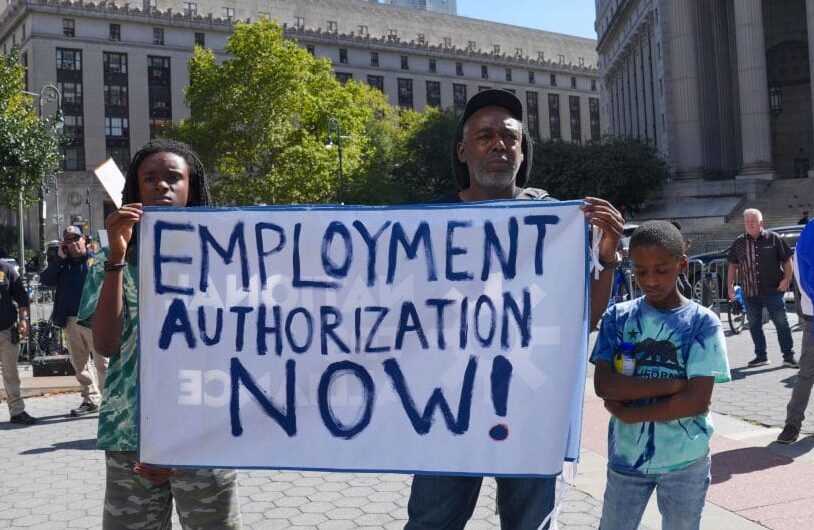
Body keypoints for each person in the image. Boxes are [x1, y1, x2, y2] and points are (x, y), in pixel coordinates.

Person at [405, 89, 624, 530]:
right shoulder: (426, 224)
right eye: (485, 136)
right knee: (431, 521)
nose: (499, 145)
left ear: (522, 152)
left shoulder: (554, 220)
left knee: (531, 524)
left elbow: (587, 316)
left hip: (529, 404)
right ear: (463, 151)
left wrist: (609, 255)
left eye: (510, 137)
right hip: (447, 407)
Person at [78, 139, 242, 529]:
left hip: (204, 430)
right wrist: (117, 257)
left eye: (173, 178)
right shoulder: (108, 258)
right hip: (129, 435)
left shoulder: (223, 255)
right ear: (135, 188)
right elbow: (105, 345)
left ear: (192, 187)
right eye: (149, 178)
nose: (161, 186)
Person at [591, 221, 730, 530]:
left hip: (686, 460)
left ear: (681, 265)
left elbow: (696, 401)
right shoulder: (618, 317)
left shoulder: (702, 324)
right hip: (627, 458)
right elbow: (605, 385)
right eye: (641, 272)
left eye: (661, 270)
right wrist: (674, 384)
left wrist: (632, 414)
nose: (650, 280)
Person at [40, 225, 108, 416]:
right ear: (64, 245)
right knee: (80, 364)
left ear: (84, 240)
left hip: (95, 318)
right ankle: (90, 399)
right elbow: (46, 280)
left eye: (76, 239)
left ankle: (110, 399)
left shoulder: (96, 259)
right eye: (68, 241)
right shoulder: (62, 263)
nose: (73, 243)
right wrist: (59, 260)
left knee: (104, 363)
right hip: (71, 320)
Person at [727, 208, 796, 368]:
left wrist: (787, 279)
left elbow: (787, 259)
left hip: (773, 290)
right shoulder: (739, 242)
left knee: (782, 323)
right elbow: (732, 264)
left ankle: (788, 356)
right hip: (750, 292)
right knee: (754, 325)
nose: (750, 224)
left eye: (753, 222)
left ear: (761, 223)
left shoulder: (774, 239)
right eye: (747, 222)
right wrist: (729, 285)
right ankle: (761, 356)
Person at [776, 249, 813, 443]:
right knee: (806, 373)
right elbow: (802, 279)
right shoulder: (809, 235)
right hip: (813, 317)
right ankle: (792, 424)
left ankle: (792, 424)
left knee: (806, 374)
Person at [0, 258, 36, 425]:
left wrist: (24, 320)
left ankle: (17, 411)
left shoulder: (6, 270)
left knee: (11, 373)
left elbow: (22, 298)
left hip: (6, 330)